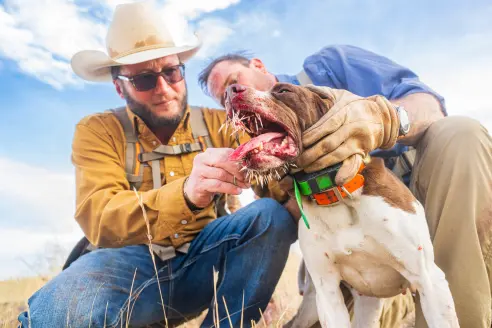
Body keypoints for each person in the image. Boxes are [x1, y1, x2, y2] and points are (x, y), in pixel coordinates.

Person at [17, 2, 300, 327]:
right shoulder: (97, 131)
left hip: (206, 262)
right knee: (59, 314)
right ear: (119, 87)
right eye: (144, 80)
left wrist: (258, 277)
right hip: (126, 267)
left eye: (171, 72)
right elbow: (100, 214)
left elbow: (278, 188)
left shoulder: (222, 123)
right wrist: (187, 195)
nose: (164, 89)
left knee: (268, 215)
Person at [199, 47, 492, 328]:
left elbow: (428, 106)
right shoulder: (262, 142)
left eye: (233, 82)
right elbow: (276, 222)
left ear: (259, 66)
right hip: (350, 248)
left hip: (426, 197)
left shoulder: (329, 66)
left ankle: (458, 308)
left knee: (459, 134)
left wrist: (381, 118)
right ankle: (401, 305)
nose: (231, 96)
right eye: (222, 97)